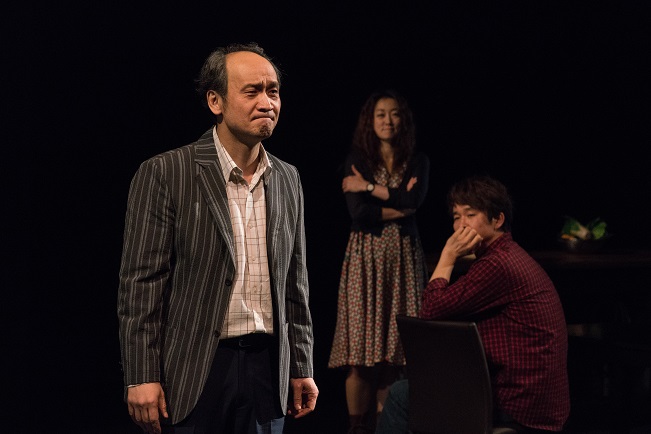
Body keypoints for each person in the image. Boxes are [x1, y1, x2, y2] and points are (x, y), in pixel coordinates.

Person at [117, 42, 318, 434]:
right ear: (215, 101)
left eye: (273, 91)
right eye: (252, 91)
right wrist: (141, 374)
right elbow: (141, 284)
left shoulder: (287, 178)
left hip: (266, 368)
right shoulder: (166, 172)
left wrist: (301, 365)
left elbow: (295, 284)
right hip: (196, 368)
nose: (267, 103)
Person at [376, 175, 571, 434]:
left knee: (401, 394)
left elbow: (430, 311)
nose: (460, 225)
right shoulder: (504, 255)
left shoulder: (498, 265)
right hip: (531, 399)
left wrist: (447, 257)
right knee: (425, 384)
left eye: (470, 214)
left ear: (497, 220)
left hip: (520, 405)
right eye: (456, 216)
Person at [327, 89, 430, 433]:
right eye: (381, 114)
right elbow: (359, 214)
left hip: (403, 260)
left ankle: (389, 427)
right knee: (359, 357)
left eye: (395, 113)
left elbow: (415, 201)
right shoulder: (357, 159)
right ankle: (357, 428)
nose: (388, 120)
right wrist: (399, 205)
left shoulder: (417, 160)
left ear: (404, 119)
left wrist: (369, 188)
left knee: (393, 357)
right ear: (370, 121)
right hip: (365, 259)